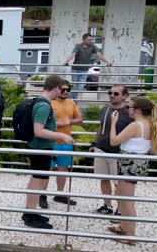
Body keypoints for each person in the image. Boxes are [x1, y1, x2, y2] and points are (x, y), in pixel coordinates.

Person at [21, 75, 75, 229]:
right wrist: (62, 135)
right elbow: (38, 131)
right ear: (56, 88)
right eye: (61, 89)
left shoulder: (41, 102)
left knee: (36, 180)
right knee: (37, 181)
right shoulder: (44, 105)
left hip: (39, 147)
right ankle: (30, 216)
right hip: (41, 148)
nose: (62, 92)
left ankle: (30, 211)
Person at [107, 96, 156, 245]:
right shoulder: (149, 124)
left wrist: (113, 123)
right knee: (121, 195)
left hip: (130, 164)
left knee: (127, 201)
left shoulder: (136, 125)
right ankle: (123, 226)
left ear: (138, 110)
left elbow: (114, 141)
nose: (128, 109)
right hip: (134, 163)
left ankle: (131, 236)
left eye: (130, 107)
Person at [39, 80, 83, 208]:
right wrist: (61, 123)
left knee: (63, 169)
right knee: (47, 169)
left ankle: (60, 194)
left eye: (68, 90)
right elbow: (44, 123)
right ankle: (42, 195)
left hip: (66, 141)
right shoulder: (49, 102)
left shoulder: (71, 103)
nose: (65, 92)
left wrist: (69, 122)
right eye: (63, 89)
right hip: (50, 142)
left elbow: (79, 119)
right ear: (57, 89)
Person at [90, 85, 132, 217]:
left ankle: (120, 209)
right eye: (110, 92)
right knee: (103, 179)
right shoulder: (105, 109)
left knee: (118, 183)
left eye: (116, 93)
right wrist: (95, 143)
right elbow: (101, 126)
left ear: (124, 96)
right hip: (101, 148)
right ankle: (107, 206)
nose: (112, 95)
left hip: (118, 151)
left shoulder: (129, 113)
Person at [62, 33, 113, 100]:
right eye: (89, 39)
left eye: (91, 39)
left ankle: (70, 99)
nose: (90, 41)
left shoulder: (93, 46)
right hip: (75, 69)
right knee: (75, 86)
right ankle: (73, 101)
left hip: (84, 70)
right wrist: (66, 61)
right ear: (83, 39)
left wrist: (108, 62)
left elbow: (99, 55)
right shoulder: (78, 46)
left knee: (80, 87)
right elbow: (73, 54)